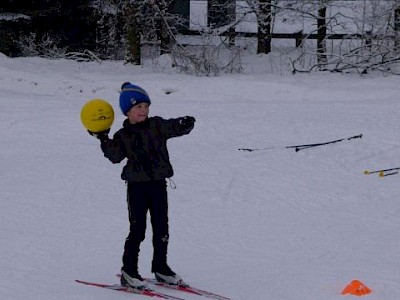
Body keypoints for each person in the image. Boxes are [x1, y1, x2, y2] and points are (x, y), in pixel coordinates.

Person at [88, 82, 195, 289]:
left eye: (146, 106)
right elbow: (115, 156)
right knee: (138, 230)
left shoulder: (156, 125)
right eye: (139, 107)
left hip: (158, 185)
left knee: (162, 228)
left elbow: (171, 126)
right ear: (127, 110)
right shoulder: (123, 135)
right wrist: (102, 138)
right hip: (137, 188)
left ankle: (161, 268)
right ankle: (129, 271)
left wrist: (183, 123)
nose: (144, 110)